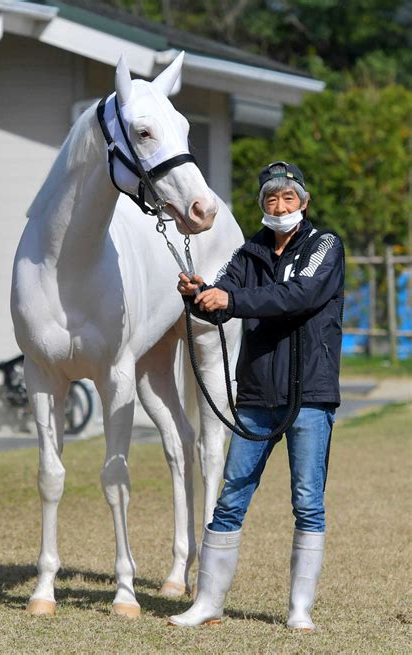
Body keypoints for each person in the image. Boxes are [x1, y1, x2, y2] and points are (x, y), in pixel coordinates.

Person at [168, 161, 344, 630]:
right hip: (256, 396)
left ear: (303, 203)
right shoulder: (249, 253)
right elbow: (224, 296)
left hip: (311, 394)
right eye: (271, 199)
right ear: (263, 205)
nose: (279, 206)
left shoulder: (325, 245)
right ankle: (208, 604)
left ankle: (299, 610)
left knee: (307, 501)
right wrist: (199, 294)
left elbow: (299, 295)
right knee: (230, 499)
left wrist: (232, 301)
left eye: (288, 199)